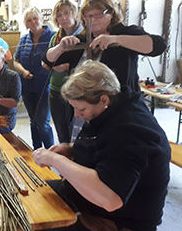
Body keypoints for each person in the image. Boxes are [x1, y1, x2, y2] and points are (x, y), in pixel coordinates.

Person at [33, 60, 171, 231]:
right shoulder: (110, 109)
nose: (77, 114)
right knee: (34, 196)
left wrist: (54, 160)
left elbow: (110, 198)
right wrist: (72, 149)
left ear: (103, 99)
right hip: (96, 207)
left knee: (34, 220)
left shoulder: (130, 129)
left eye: (81, 109)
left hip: (120, 222)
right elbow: (101, 145)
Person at [42, 0, 166, 94]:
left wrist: (115, 39)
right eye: (88, 16)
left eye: (98, 14)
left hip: (120, 105)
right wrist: (60, 47)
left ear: (111, 14)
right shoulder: (82, 39)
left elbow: (158, 46)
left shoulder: (124, 32)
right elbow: (47, 61)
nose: (93, 20)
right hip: (86, 106)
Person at [13, 7, 56, 150]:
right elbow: (16, 60)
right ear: (26, 24)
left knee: (42, 122)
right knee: (33, 121)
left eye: (35, 18)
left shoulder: (53, 37)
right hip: (27, 86)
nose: (33, 22)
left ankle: (51, 152)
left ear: (41, 19)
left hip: (46, 87)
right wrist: (24, 71)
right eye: (29, 20)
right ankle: (36, 150)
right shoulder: (24, 39)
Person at [48, 0, 83, 143]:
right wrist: (48, 65)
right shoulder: (55, 38)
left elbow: (89, 64)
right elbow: (47, 61)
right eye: (59, 15)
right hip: (56, 89)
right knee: (62, 133)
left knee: (77, 133)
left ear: (74, 13)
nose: (63, 18)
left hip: (78, 91)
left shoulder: (84, 36)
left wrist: (66, 66)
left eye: (66, 13)